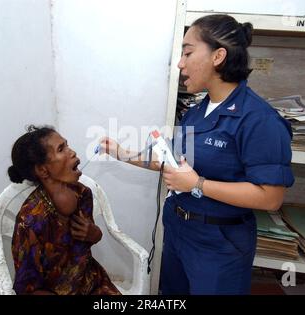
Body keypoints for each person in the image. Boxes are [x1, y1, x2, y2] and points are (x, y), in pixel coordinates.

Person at [99, 14, 294, 294]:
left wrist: (197, 185)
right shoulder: (196, 113)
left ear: (218, 56)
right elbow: (173, 163)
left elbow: (271, 198)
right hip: (179, 230)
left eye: (188, 52)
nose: (180, 63)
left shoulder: (260, 120)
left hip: (220, 242)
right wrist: (122, 153)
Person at [8, 125, 120, 295]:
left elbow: (86, 244)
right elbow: (28, 290)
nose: (72, 152)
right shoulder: (30, 222)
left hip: (93, 283)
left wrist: (95, 234)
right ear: (43, 170)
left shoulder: (83, 194)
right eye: (61, 149)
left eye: (67, 145)